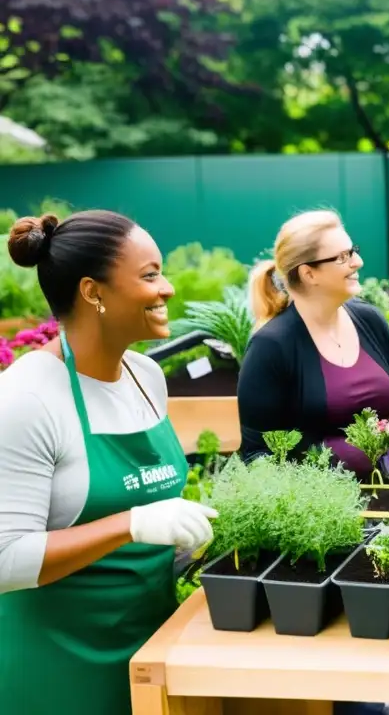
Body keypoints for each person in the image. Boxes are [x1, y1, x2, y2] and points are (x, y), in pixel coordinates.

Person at [0, 211, 218, 715]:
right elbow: (6, 559)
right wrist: (131, 524)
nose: (166, 288)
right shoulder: (27, 397)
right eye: (149, 275)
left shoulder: (145, 376)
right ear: (93, 292)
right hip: (57, 671)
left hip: (151, 652)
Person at [238, 210, 389, 477]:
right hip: (317, 509)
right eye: (343, 257)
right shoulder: (271, 346)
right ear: (309, 274)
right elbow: (256, 453)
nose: (358, 262)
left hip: (384, 496)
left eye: (352, 251)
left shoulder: (371, 320)